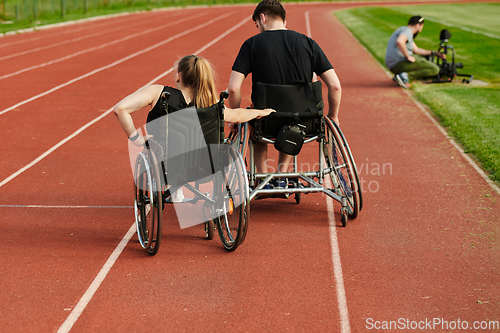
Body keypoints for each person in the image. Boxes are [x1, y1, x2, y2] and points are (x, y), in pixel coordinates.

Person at [227, 0, 342, 188]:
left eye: (257, 25)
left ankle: (261, 176)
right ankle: (281, 174)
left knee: (254, 116)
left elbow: (233, 88)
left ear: (262, 18)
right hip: (305, 121)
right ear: (284, 21)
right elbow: (335, 86)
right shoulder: (308, 43)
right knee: (293, 118)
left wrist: (234, 117)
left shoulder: (252, 44)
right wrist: (334, 116)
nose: (258, 29)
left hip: (266, 121)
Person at [114, 54, 275, 147]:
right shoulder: (210, 102)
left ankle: (173, 188)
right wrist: (260, 112)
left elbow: (120, 109)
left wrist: (136, 139)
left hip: (164, 160)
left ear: (178, 76)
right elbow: (237, 115)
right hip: (205, 164)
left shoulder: (158, 93)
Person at [385, 15, 446, 89]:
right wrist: (408, 56)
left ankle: (401, 75)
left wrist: (434, 53)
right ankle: (405, 76)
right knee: (434, 69)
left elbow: (416, 50)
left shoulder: (404, 30)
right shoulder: (408, 31)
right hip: (398, 63)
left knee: (420, 58)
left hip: (393, 64)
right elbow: (400, 41)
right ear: (418, 25)